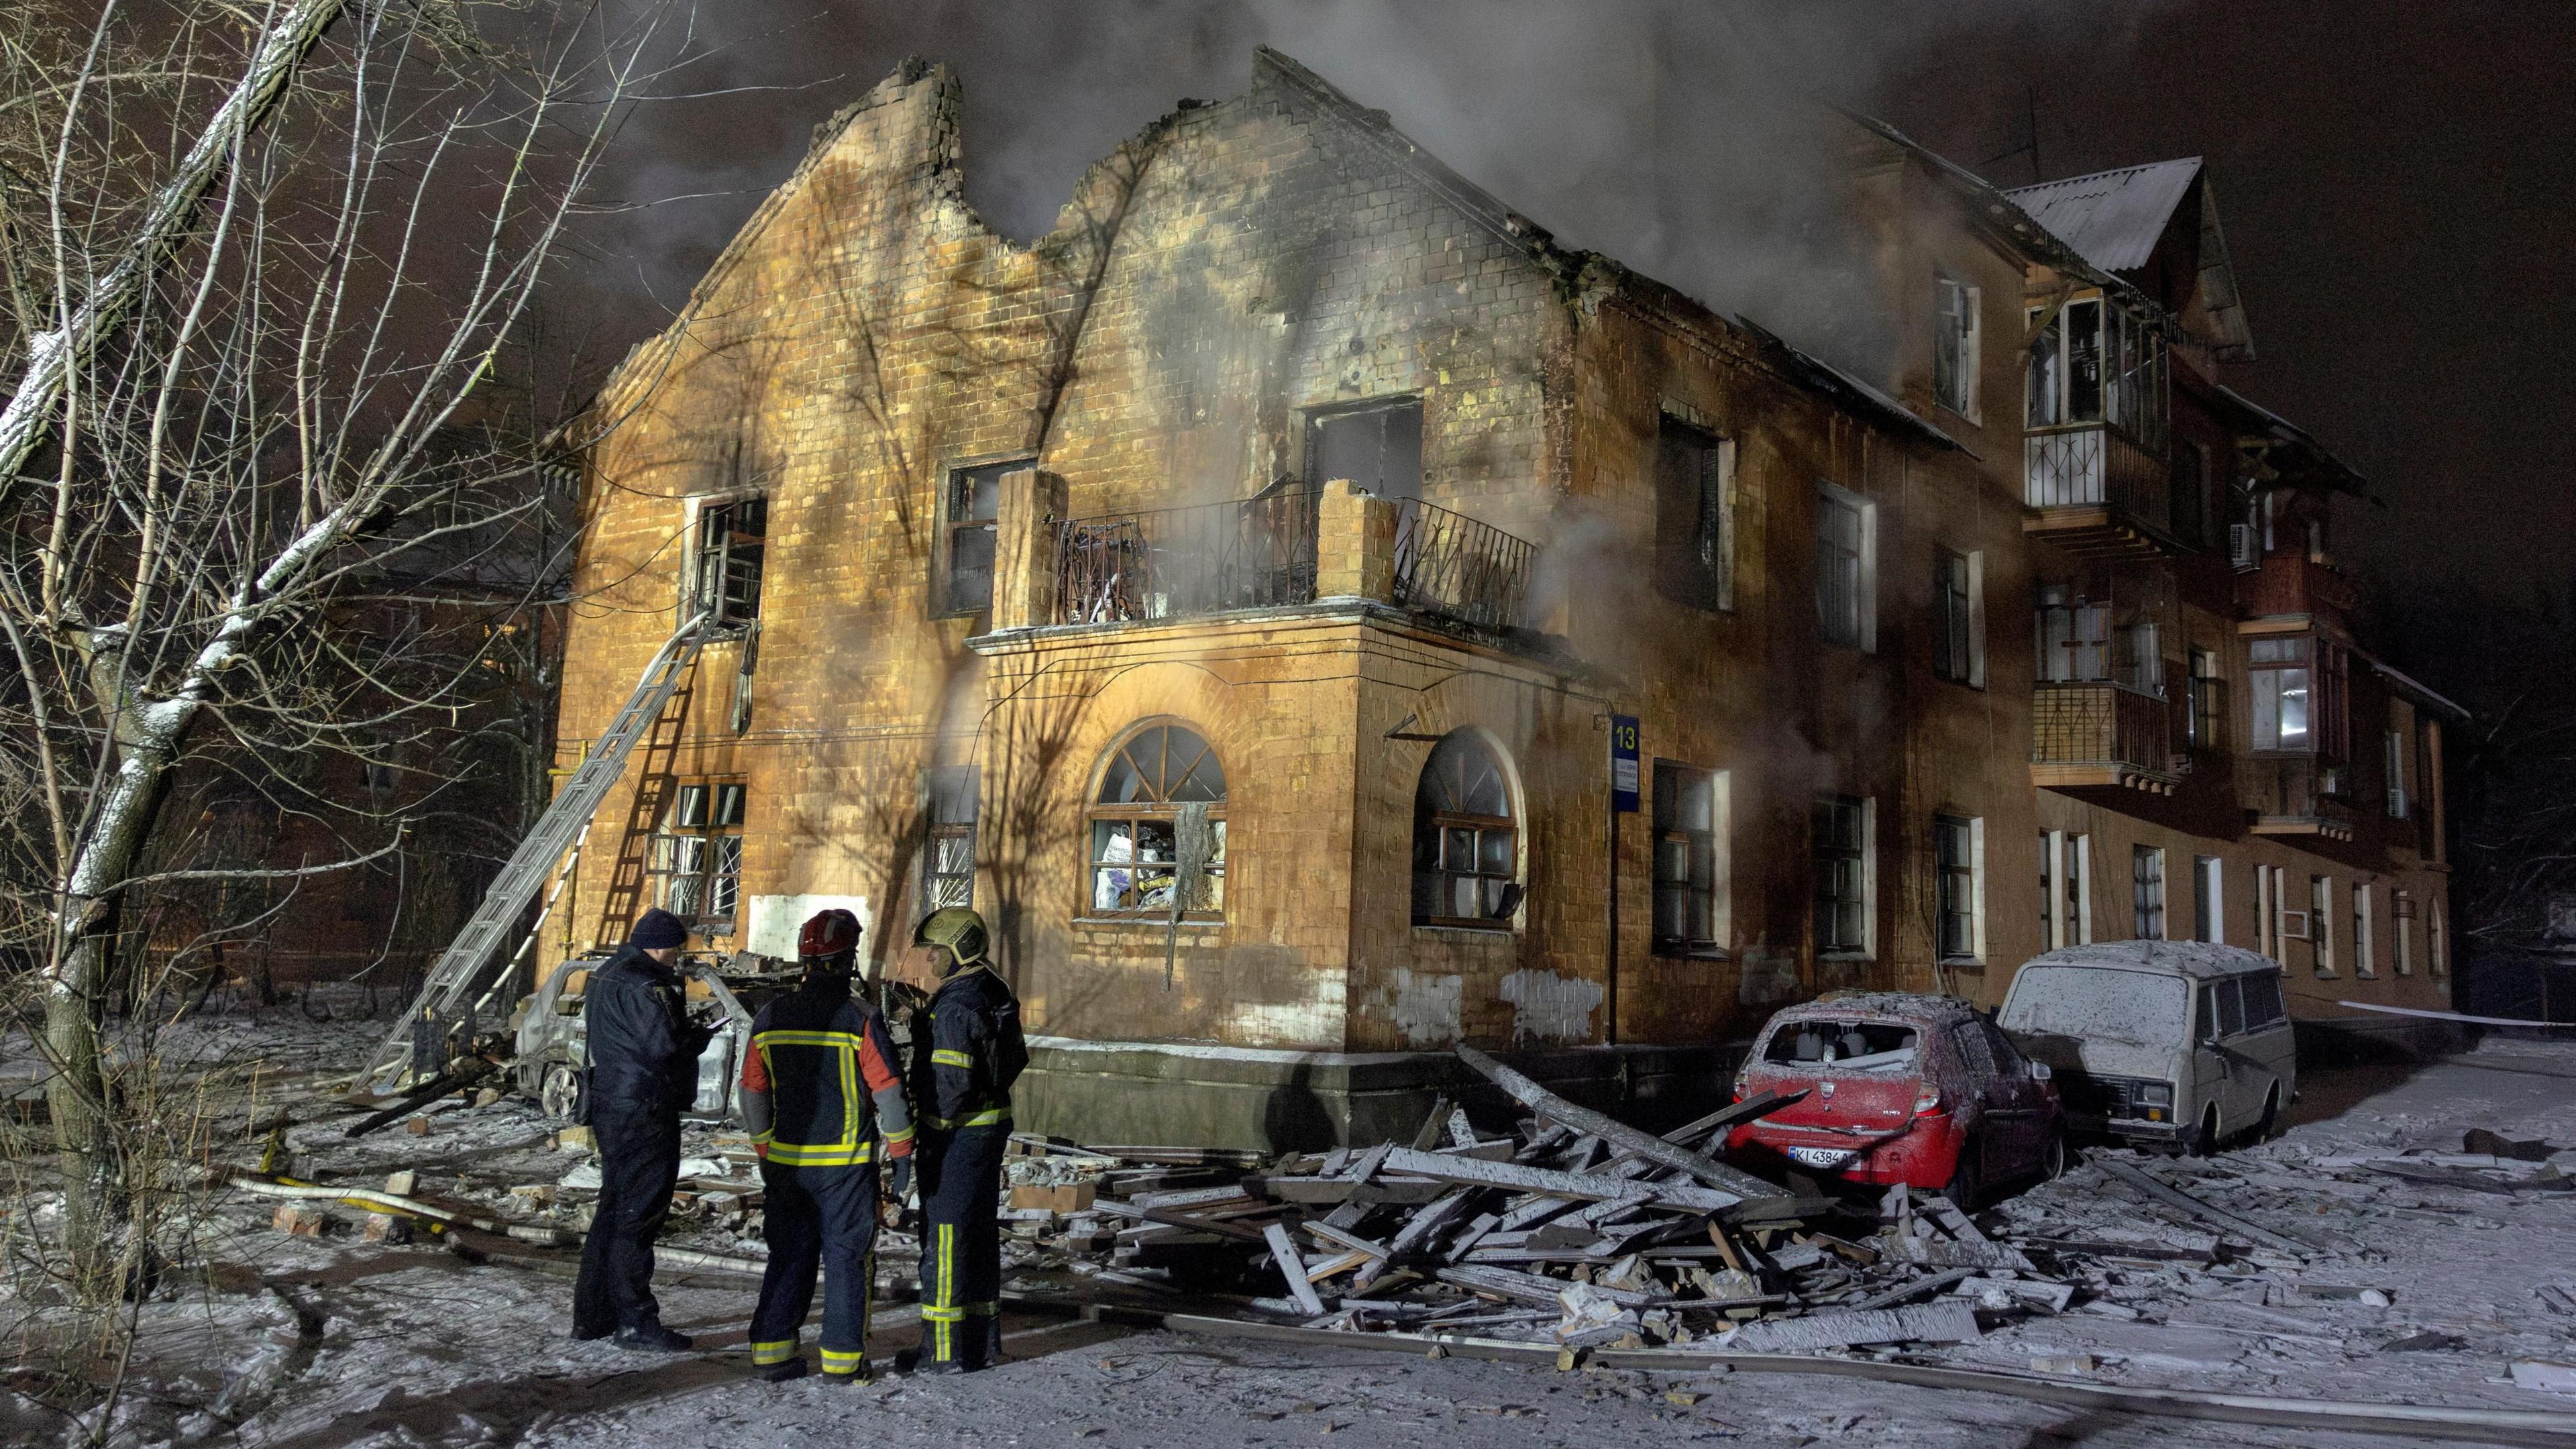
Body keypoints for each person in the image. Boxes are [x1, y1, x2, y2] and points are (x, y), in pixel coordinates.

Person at [738, 909, 915, 1383]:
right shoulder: (860, 1019)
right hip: (844, 1169)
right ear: (848, 960)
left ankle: (771, 1355)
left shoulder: (769, 1017)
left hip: (786, 1166)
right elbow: (890, 1094)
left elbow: (752, 1089)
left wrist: (763, 1147)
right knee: (845, 1260)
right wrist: (901, 1158)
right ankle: (842, 1361)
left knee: (789, 1256)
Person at [572, 906, 713, 1349]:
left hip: (611, 1102)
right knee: (640, 1215)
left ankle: (592, 1316)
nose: (678, 957)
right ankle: (636, 1321)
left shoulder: (605, 974)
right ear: (660, 945)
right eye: (676, 949)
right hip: (647, 1107)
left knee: (613, 1209)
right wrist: (699, 1037)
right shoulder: (650, 984)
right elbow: (664, 1047)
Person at [907, 906, 1026, 1373]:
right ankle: (980, 1344)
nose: (930, 960)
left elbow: (951, 1085)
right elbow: (1012, 1060)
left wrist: (924, 1123)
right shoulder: (993, 988)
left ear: (959, 949)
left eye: (936, 951)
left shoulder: (955, 1005)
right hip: (989, 1128)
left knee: (947, 1237)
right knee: (978, 1234)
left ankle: (942, 1350)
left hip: (957, 1138)